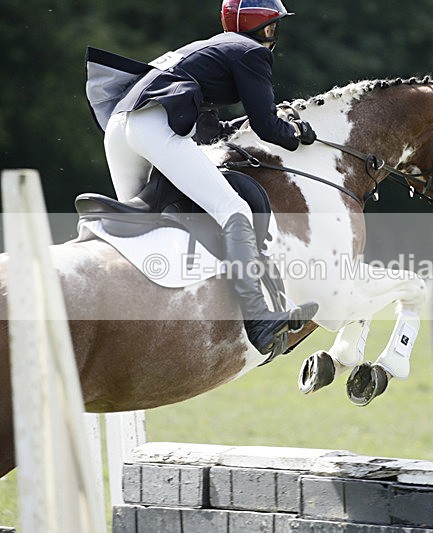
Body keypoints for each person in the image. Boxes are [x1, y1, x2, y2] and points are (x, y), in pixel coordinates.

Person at [86, 0, 317, 357]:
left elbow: (208, 128)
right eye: (273, 27)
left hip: (120, 125)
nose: (274, 35)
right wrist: (298, 133)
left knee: (142, 233)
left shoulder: (209, 47)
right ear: (266, 28)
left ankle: (132, 313)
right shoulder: (252, 53)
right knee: (234, 209)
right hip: (153, 124)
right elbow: (268, 126)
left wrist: (241, 126)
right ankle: (258, 319)